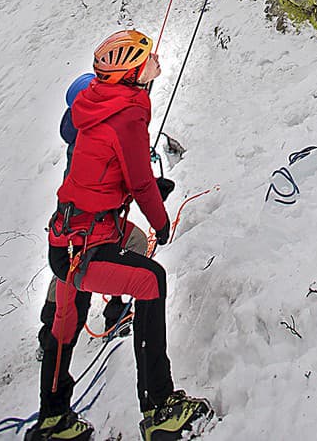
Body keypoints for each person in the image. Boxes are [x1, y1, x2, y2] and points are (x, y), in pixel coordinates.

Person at [26, 31, 211, 441]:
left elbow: (111, 170)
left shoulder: (101, 100)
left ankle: (54, 420)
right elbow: (141, 181)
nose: (156, 59)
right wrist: (160, 223)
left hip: (72, 234)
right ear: (132, 72)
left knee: (65, 320)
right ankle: (159, 408)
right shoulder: (126, 112)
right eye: (148, 57)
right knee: (149, 280)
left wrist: (134, 190)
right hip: (89, 241)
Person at [38, 71, 163, 353]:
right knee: (132, 248)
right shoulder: (94, 136)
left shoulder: (83, 131)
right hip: (89, 228)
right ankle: (115, 312)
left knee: (67, 275)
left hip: (76, 228)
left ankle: (51, 329)